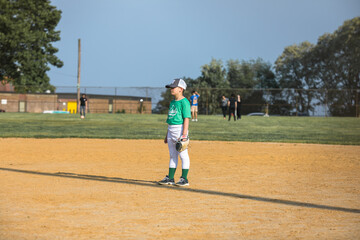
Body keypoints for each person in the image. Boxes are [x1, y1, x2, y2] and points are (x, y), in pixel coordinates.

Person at [158, 78, 191, 187]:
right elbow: (170, 120)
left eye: (173, 87)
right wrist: (166, 135)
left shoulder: (184, 102)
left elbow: (186, 118)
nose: (171, 89)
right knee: (172, 155)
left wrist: (184, 135)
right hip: (171, 130)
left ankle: (184, 179)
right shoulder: (172, 102)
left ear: (181, 89)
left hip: (180, 130)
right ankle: (170, 178)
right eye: (171, 87)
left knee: (183, 155)